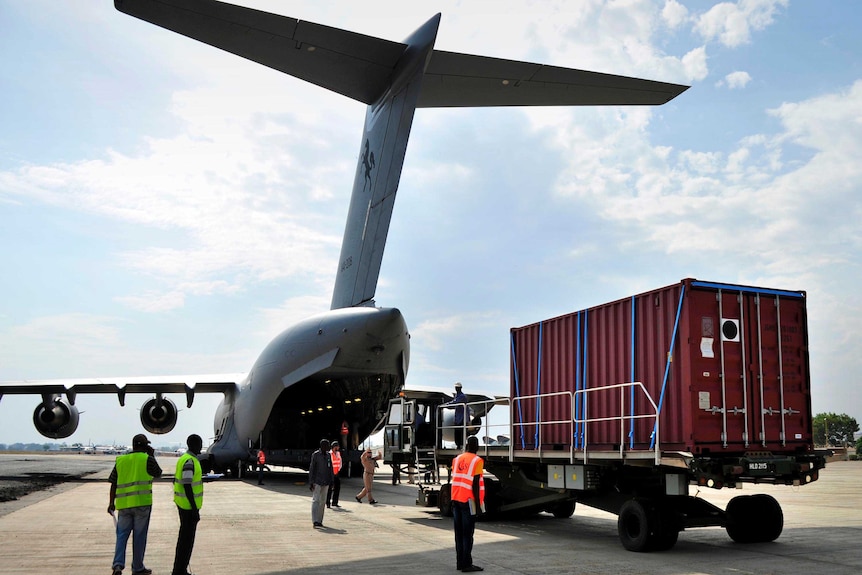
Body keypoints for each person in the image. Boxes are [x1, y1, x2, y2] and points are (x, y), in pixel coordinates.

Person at [107, 433, 162, 575]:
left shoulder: (121, 460)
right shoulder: (147, 459)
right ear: (145, 446)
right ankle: (137, 567)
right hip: (142, 505)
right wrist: (152, 456)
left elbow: (113, 483)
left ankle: (118, 565)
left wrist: (111, 503)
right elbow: (158, 473)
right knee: (139, 537)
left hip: (124, 505)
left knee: (121, 535)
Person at [451, 435, 485, 572]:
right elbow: (476, 485)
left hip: (455, 499)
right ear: (476, 447)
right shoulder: (477, 461)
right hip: (468, 501)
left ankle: (460, 563)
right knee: (467, 534)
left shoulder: (457, 459)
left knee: (458, 534)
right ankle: (467, 564)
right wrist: (478, 506)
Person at [171, 434, 204, 575]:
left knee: (184, 540)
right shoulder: (190, 461)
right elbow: (187, 484)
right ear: (195, 445)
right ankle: (180, 570)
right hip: (188, 507)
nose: (201, 447)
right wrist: (194, 508)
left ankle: (180, 569)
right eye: (200, 444)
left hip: (183, 505)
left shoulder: (184, 459)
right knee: (186, 541)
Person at [308, 439, 334, 527]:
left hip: (326, 481)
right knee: (316, 500)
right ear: (322, 446)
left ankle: (319, 520)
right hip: (317, 481)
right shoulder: (315, 455)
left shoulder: (328, 455)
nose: (328, 447)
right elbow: (312, 469)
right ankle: (315, 520)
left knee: (323, 501)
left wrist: (332, 481)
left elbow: (330, 468)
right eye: (327, 445)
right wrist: (311, 482)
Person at [443, 381, 469, 448]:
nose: (456, 389)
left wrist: (446, 405)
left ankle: (461, 445)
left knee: (460, 431)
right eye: (456, 387)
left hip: (462, 417)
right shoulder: (458, 395)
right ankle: (459, 444)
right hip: (459, 417)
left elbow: (455, 402)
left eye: (457, 387)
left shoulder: (462, 396)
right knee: (458, 431)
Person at [326, 441, 342, 508]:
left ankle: (335, 502)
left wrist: (338, 470)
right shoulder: (329, 454)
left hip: (336, 473)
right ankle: (328, 503)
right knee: (329, 489)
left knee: (337, 488)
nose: (338, 448)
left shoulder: (338, 453)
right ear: (334, 447)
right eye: (337, 446)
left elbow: (340, 462)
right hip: (330, 474)